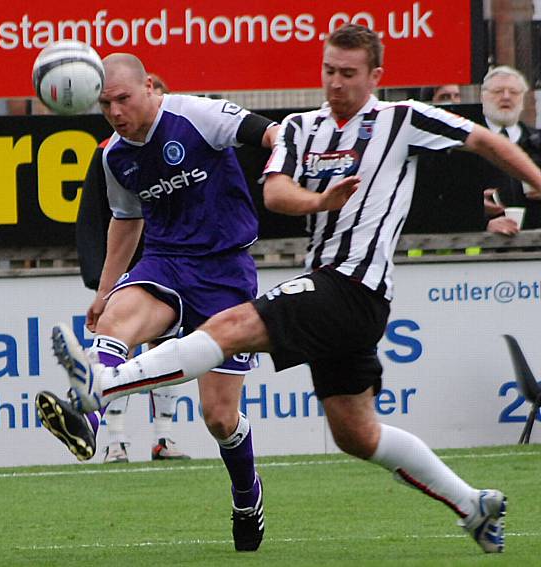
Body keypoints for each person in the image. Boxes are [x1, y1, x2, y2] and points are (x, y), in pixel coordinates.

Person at [51, 24, 541, 554]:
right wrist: (319, 201)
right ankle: (475, 505)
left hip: (354, 285)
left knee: (230, 328)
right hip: (314, 284)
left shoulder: (401, 119)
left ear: (375, 76)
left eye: (348, 74)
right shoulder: (304, 127)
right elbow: (278, 192)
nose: (335, 83)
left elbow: (484, 139)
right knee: (357, 434)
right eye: (329, 71)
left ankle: (98, 390)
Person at [36, 53, 278, 551]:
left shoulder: (197, 116)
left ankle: (245, 493)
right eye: (105, 104)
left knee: (220, 418)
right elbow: (125, 222)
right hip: (165, 264)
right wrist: (103, 293)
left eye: (123, 99)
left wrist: (286, 171)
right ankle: (90, 418)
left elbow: (269, 134)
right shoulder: (113, 155)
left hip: (226, 272)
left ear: (149, 87)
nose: (114, 111)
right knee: (114, 326)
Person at [75, 73, 190, 464]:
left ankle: (165, 438)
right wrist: (101, 281)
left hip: (171, 264)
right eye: (110, 103)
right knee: (117, 349)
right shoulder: (110, 153)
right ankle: (115, 441)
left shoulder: (183, 145)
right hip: (132, 266)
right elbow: (98, 214)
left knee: (166, 350)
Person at [477, 66, 541, 235]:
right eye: (498, 91)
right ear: (482, 96)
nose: (506, 97)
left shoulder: (537, 141)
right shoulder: (467, 143)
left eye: (513, 92)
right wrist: (477, 211)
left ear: (522, 99)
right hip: (482, 246)